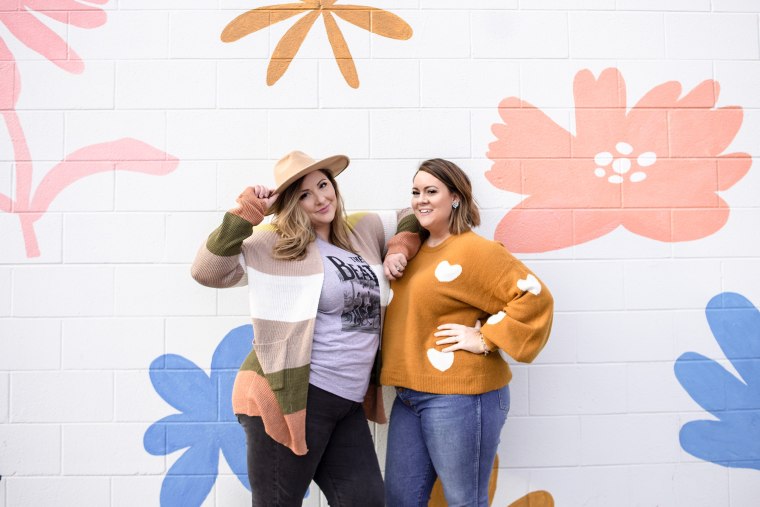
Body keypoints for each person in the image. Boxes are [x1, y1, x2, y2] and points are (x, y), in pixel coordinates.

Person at [190, 150, 419, 507]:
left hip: (346, 401)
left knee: (367, 501)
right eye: (304, 194)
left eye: (323, 185)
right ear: (290, 205)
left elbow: (413, 215)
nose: (320, 198)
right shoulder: (275, 242)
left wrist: (399, 247)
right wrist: (248, 213)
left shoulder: (362, 230)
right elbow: (207, 271)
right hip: (291, 394)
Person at [381, 158, 554, 507]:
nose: (421, 199)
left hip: (460, 396)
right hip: (409, 395)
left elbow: (535, 296)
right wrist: (399, 246)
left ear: (456, 198)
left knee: (465, 501)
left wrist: (486, 337)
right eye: (416, 192)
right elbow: (407, 221)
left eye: (432, 191)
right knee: (400, 500)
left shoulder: (477, 251)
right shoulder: (414, 251)